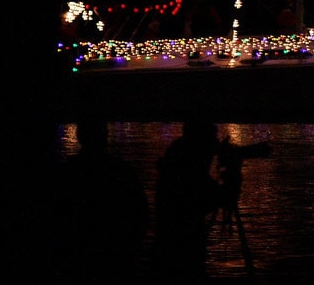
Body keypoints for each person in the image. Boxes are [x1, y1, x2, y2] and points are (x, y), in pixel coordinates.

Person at [152, 121, 271, 284]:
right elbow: (223, 198)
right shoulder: (188, 172)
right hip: (183, 257)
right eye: (209, 147)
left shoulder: (177, 159)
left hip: (169, 254)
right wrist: (234, 171)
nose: (211, 156)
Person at [51, 118, 149, 283]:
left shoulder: (66, 174)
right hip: (116, 257)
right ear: (105, 136)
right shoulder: (123, 172)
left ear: (80, 136)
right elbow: (141, 215)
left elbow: (55, 216)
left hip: (75, 258)